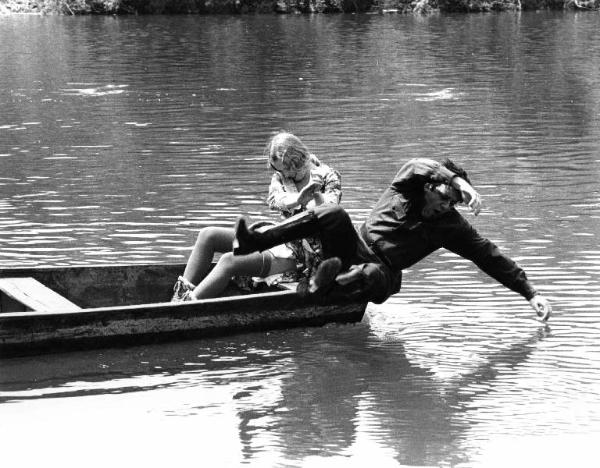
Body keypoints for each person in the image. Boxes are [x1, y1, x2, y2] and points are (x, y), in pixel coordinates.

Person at [232, 157, 552, 321]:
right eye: (446, 195)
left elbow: (489, 256)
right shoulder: (405, 185)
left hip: (382, 274)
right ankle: (252, 242)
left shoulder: (451, 226)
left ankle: (326, 283)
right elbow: (418, 165)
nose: (447, 205)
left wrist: (530, 292)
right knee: (334, 214)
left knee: (368, 274)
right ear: (430, 185)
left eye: (454, 202)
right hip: (354, 248)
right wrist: (459, 182)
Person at [171, 131, 342, 301]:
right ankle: (179, 298)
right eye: (281, 171)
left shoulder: (329, 176)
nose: (286, 175)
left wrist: (315, 195)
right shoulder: (280, 177)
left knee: (228, 261)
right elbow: (277, 200)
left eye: (288, 171)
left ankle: (183, 308)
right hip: (281, 237)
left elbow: (329, 211)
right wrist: (298, 199)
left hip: (307, 255)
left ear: (299, 161)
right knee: (208, 235)